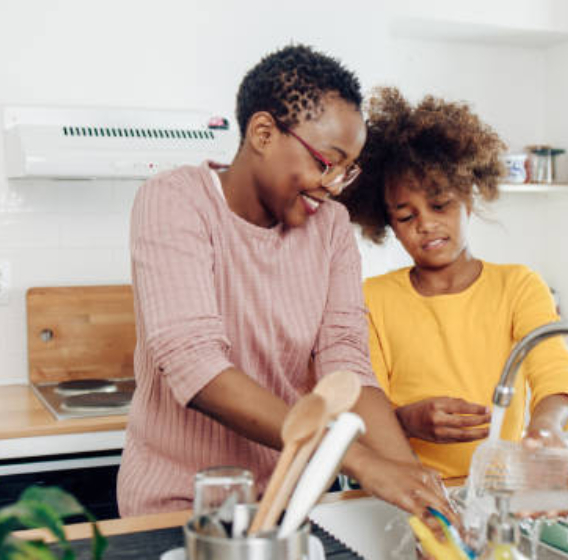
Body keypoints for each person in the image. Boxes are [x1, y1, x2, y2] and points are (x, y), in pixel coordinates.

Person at [117, 46, 454, 521]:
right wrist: (357, 460)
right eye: (325, 161)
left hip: (288, 505)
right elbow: (194, 363)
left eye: (347, 169)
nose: (334, 184)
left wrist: (416, 493)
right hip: (179, 506)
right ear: (263, 133)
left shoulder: (332, 226)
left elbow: (346, 363)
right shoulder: (174, 201)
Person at [338, 87, 568, 480]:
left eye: (440, 205)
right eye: (406, 216)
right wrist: (407, 421)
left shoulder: (518, 286)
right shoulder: (372, 299)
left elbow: (555, 370)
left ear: (468, 200)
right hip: (405, 487)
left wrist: (546, 428)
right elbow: (365, 408)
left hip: (498, 488)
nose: (426, 224)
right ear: (389, 226)